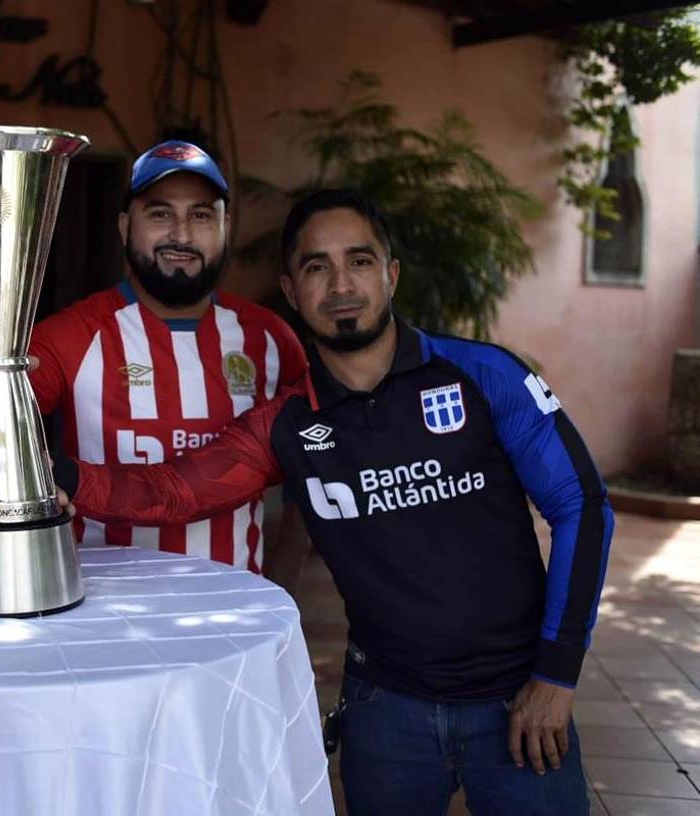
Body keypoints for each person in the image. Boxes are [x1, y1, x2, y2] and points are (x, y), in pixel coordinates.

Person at [53, 189, 614, 815]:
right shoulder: (288, 425)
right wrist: (62, 477)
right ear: (292, 291)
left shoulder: (482, 376)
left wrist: (556, 674)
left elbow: (582, 505)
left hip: (519, 704)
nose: (341, 284)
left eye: (360, 261)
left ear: (391, 274)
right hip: (386, 713)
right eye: (317, 267)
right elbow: (172, 492)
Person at [0, 140, 310, 578]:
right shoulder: (71, 336)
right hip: (100, 603)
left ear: (226, 226)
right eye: (160, 214)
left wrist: (281, 586)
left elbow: (313, 472)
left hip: (235, 603)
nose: (182, 235)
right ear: (125, 225)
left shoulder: (270, 339)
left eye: (201, 215)